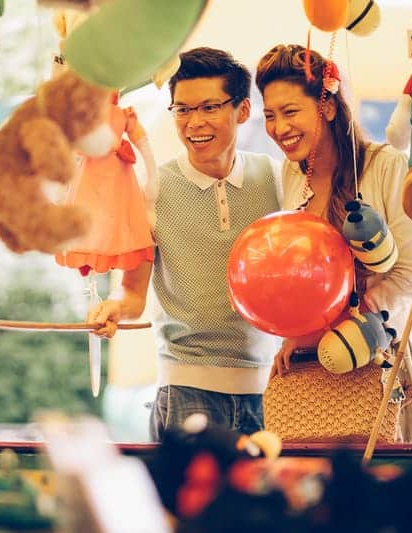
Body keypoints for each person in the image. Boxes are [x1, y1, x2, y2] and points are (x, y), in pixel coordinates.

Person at [87, 47, 282, 441]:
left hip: (271, 390)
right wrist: (114, 309)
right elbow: (132, 295)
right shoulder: (153, 190)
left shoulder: (276, 179)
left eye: (209, 108)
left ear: (243, 110)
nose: (195, 123)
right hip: (186, 390)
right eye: (183, 110)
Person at [255, 44, 412, 441]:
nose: (279, 128)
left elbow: (410, 273)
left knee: (377, 476)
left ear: (328, 107)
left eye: (290, 111)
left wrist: (340, 326)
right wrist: (294, 334)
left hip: (374, 354)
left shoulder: (385, 165)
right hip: (308, 367)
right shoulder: (290, 175)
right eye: (269, 115)